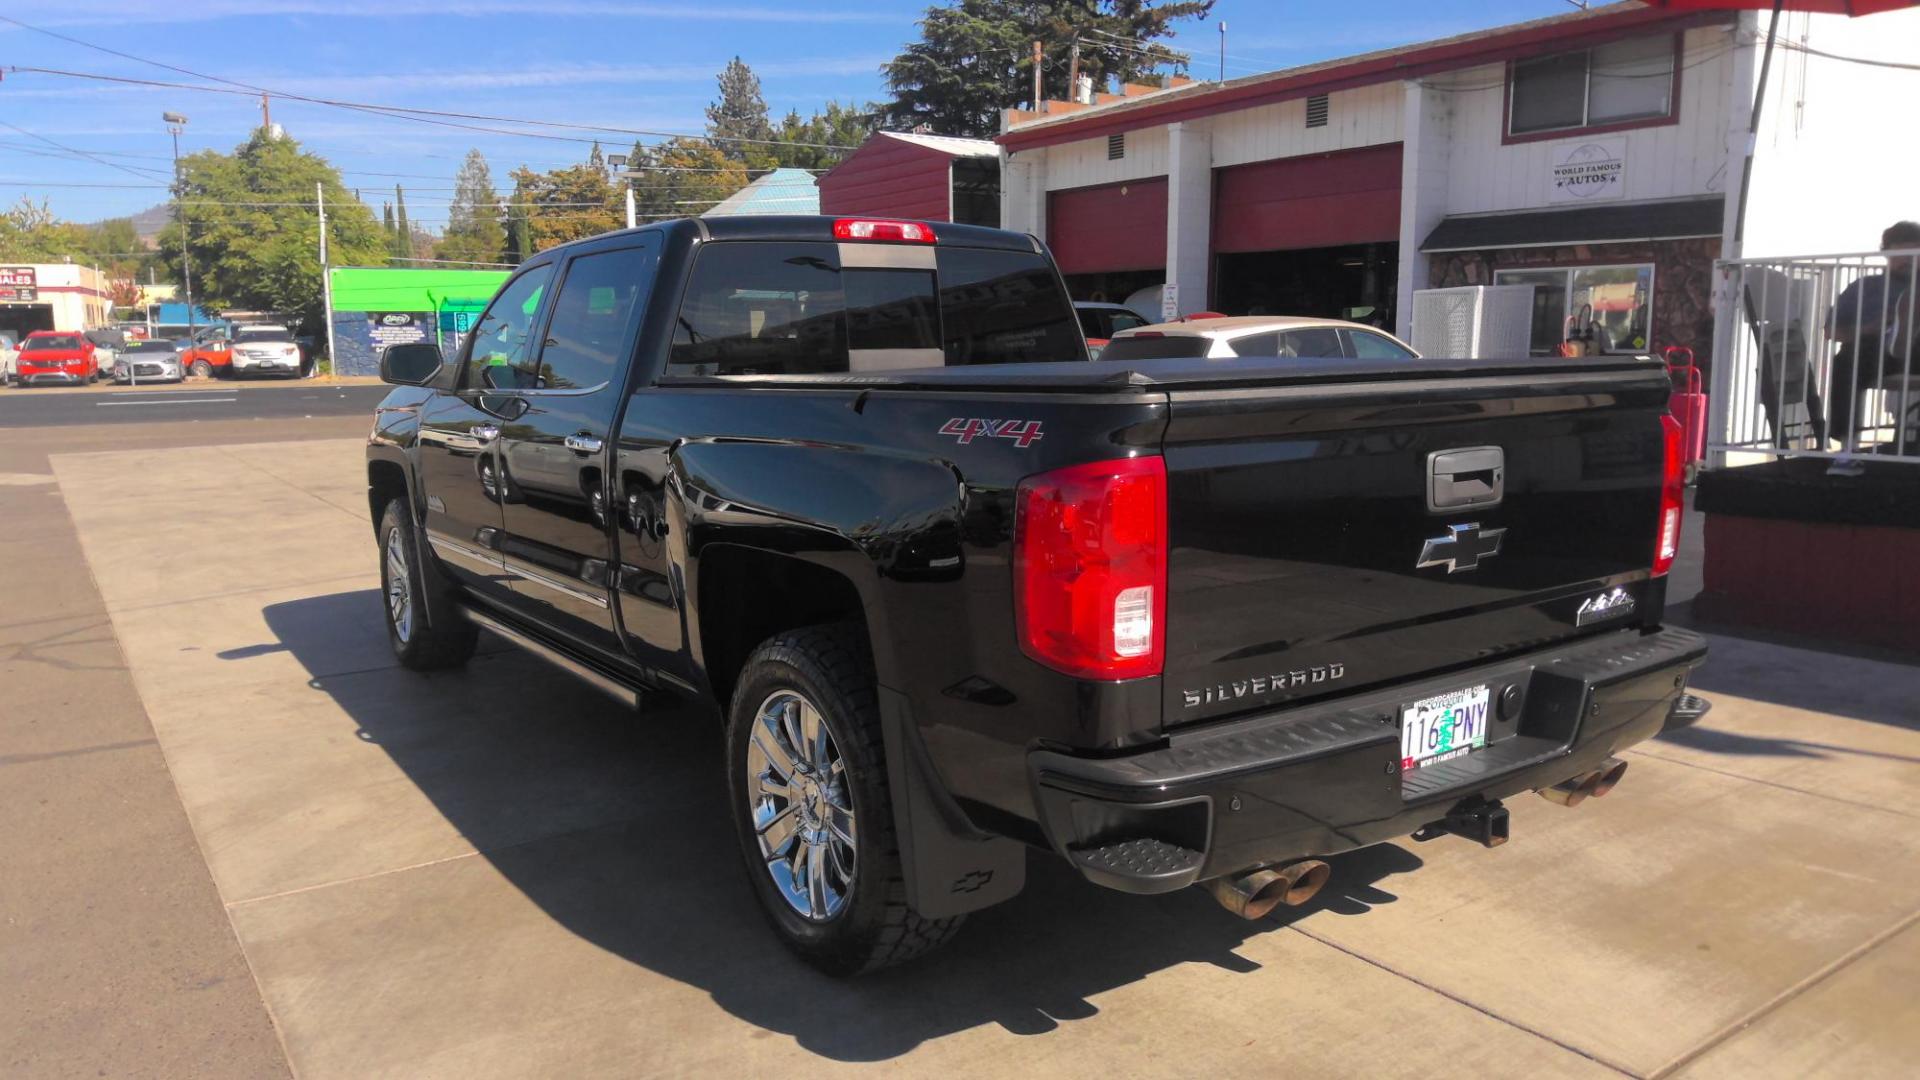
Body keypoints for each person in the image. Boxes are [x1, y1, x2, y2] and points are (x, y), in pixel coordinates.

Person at [1825, 220, 1920, 450]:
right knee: (1849, 357)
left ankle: (1907, 331)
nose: (1908, 260)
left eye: (1914, 254)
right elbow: (1831, 332)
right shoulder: (1865, 287)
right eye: (1901, 254)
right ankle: (1848, 446)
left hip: (1916, 355)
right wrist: (1869, 329)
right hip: (1876, 353)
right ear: (1886, 254)